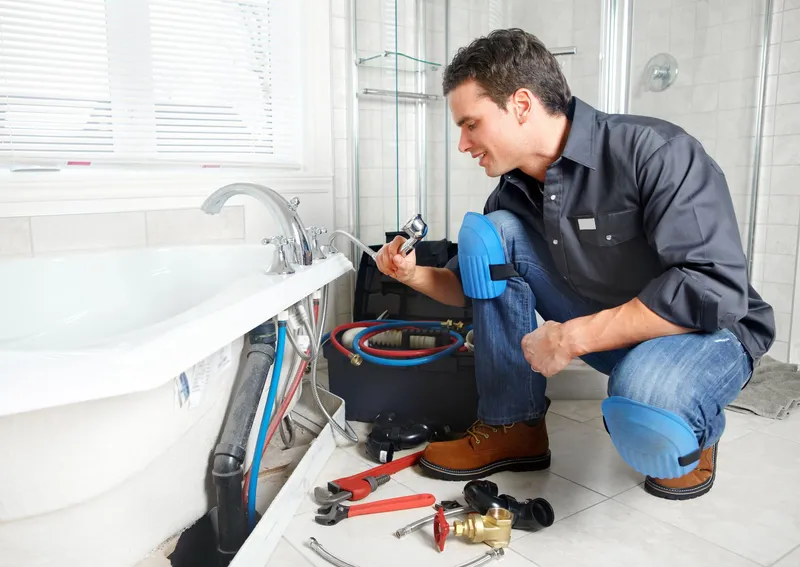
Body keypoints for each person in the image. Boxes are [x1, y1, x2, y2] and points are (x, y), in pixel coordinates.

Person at [374, 28, 775, 501]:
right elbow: (470, 287)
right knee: (493, 235)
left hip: (707, 334)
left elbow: (714, 288)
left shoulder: (654, 151)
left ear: (521, 105)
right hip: (616, 329)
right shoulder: (511, 194)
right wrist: (412, 273)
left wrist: (572, 336)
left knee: (647, 409)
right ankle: (513, 426)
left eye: (471, 124)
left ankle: (695, 421)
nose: (463, 144)